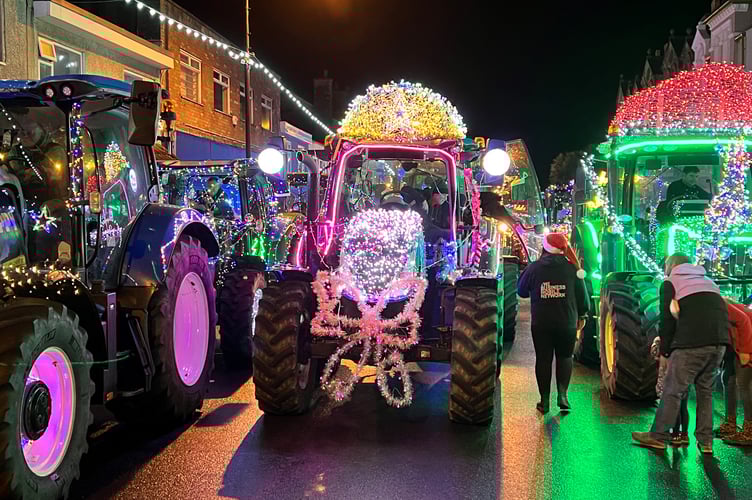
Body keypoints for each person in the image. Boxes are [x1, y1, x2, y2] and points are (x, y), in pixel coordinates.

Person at [632, 254, 729, 454]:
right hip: (719, 343)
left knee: (673, 390)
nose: (665, 270)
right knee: (705, 391)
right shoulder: (709, 282)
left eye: (666, 265)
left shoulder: (671, 282)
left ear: (672, 265)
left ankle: (658, 436)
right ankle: (706, 441)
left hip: (691, 344)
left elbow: (667, 319)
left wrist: (665, 351)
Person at [517, 232, 589, 413]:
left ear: (545, 247)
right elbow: (583, 298)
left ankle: (544, 401)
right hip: (567, 322)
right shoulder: (572, 268)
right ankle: (563, 395)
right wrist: (583, 315)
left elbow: (521, 291)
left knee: (543, 359)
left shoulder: (534, 268)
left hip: (541, 323)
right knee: (565, 357)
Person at [720, 300, 752, 446]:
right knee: (728, 378)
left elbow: (744, 320)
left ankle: (749, 431)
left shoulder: (718, 302)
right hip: (735, 344)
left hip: (747, 340)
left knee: (744, 385)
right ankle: (730, 423)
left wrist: (745, 350)